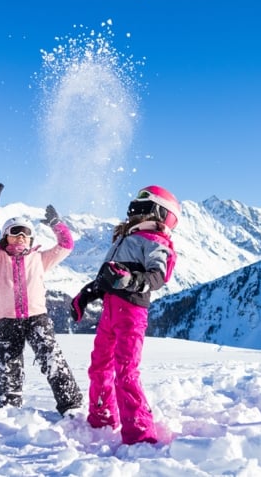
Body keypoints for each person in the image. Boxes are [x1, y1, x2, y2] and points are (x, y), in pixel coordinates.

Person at [71, 185, 179, 444]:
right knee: (99, 366)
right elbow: (107, 279)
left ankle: (139, 433)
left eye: (141, 206)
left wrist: (129, 279)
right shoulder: (123, 238)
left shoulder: (155, 241)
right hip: (110, 311)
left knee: (125, 370)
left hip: (131, 312)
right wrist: (87, 294)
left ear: (156, 211)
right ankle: (102, 418)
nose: (134, 210)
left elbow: (158, 275)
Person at [0, 182, 84, 417]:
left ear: (32, 239)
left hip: (37, 319)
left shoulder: (39, 259)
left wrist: (56, 224)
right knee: (8, 368)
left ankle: (71, 405)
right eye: (15, 232)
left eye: (26, 233)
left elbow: (66, 244)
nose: (21, 237)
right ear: (5, 237)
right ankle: (9, 409)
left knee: (52, 360)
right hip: (6, 321)